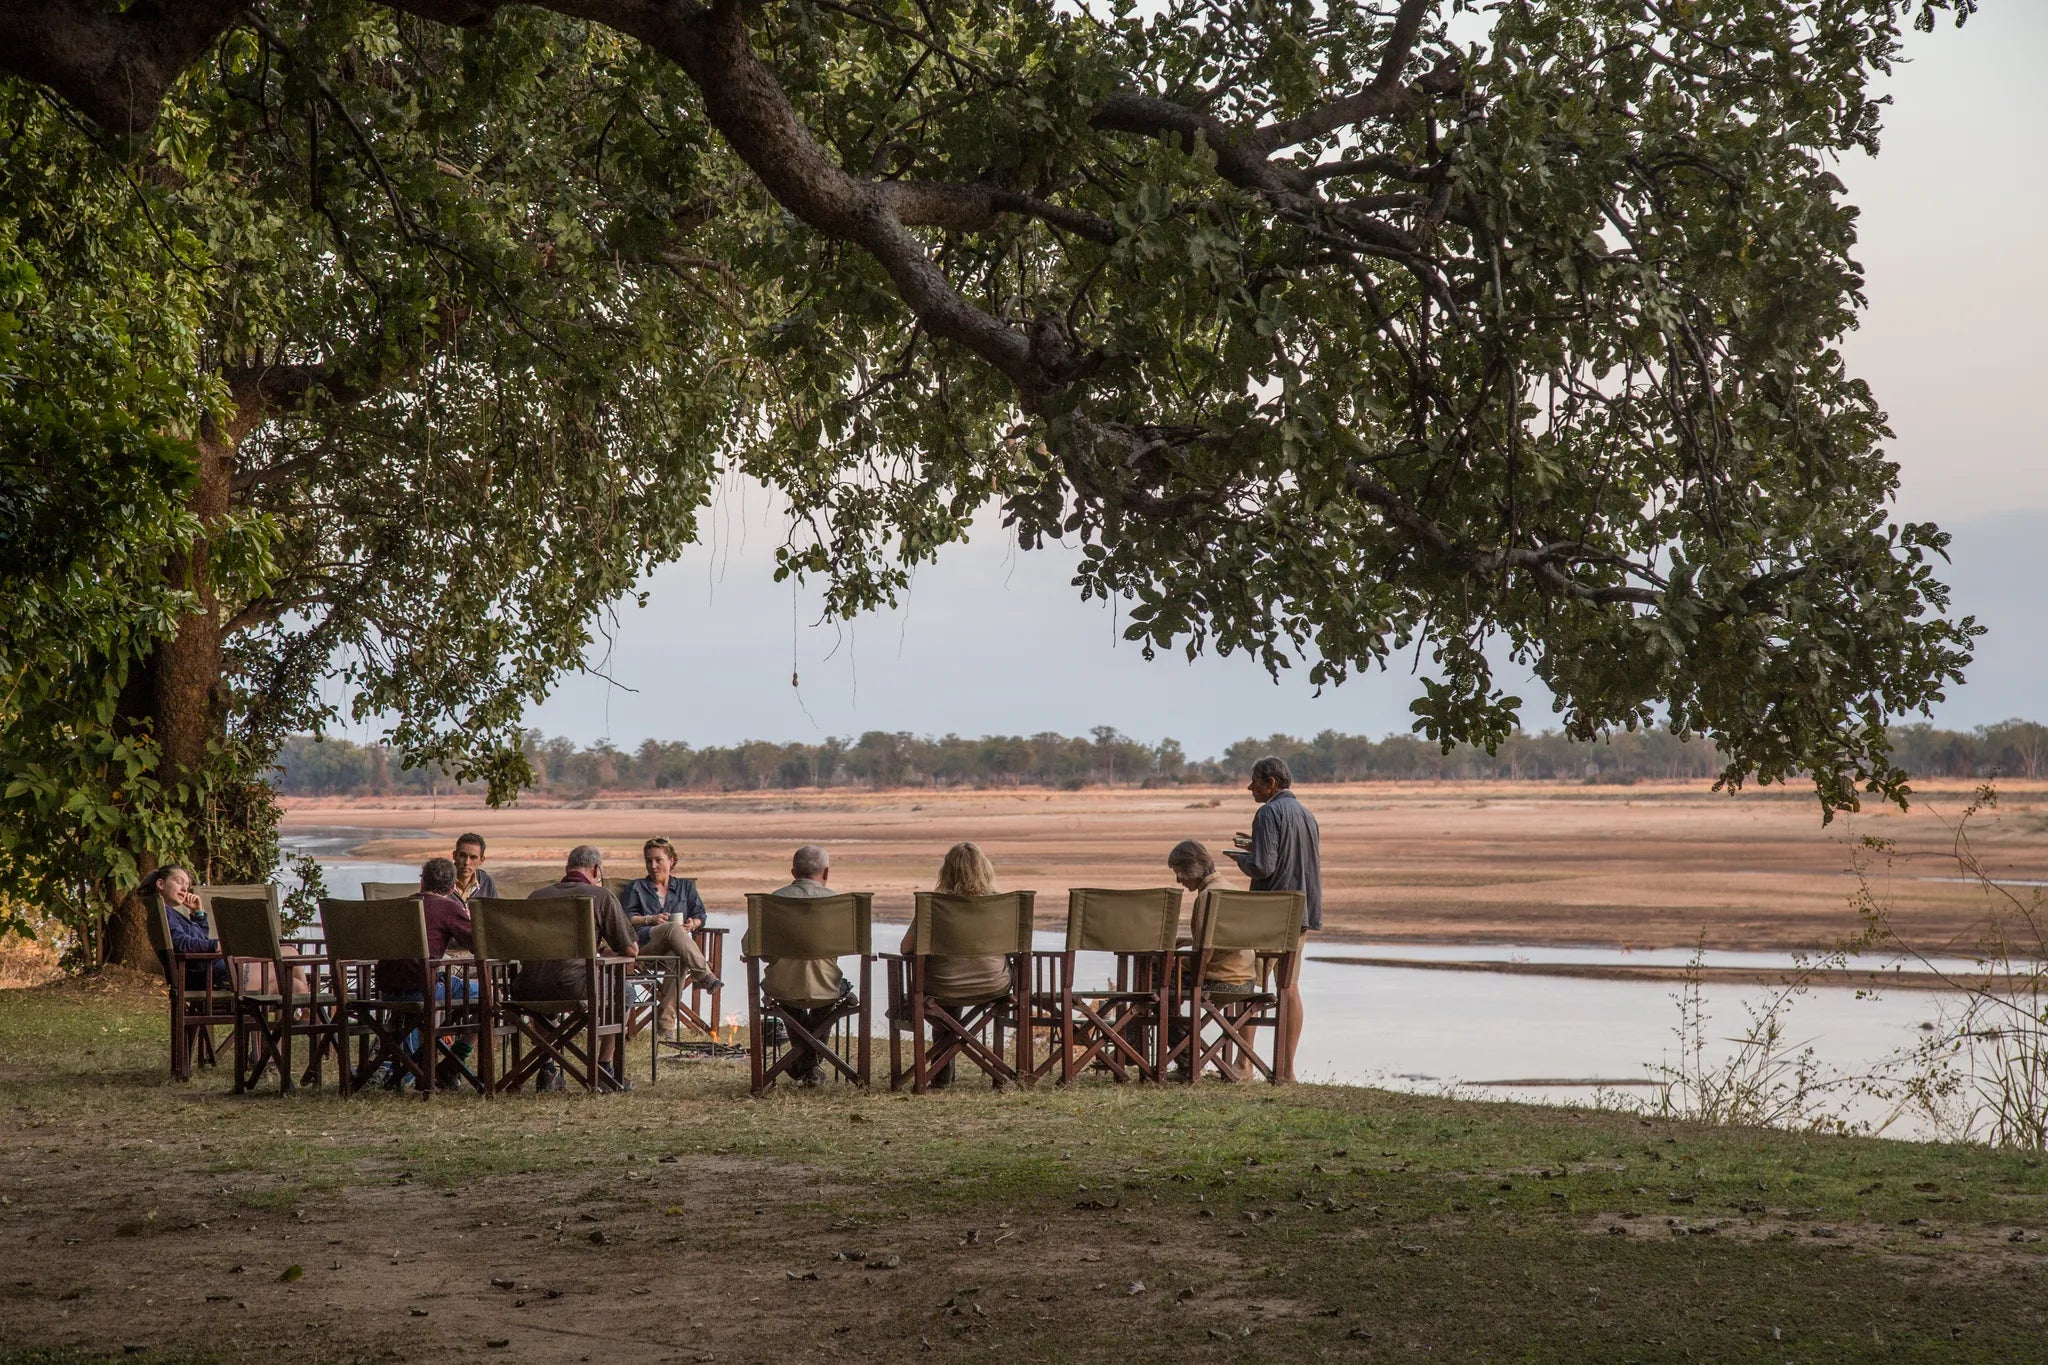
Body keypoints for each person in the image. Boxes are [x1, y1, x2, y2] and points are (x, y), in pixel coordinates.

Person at [1223, 755, 1321, 1081]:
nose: (1250, 787)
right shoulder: (1307, 816)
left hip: (1270, 914)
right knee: (1290, 987)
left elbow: (1263, 866)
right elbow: (1290, 857)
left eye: (1255, 782)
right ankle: (1287, 1071)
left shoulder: (1267, 812)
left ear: (1271, 784)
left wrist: (1241, 858)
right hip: (1302, 912)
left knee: (1251, 985)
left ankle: (1243, 1065)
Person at [517, 846, 638, 1089]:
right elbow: (630, 950)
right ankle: (604, 1069)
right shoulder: (600, 896)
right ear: (596, 869)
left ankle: (547, 1068)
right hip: (574, 987)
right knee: (625, 992)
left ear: (567, 869)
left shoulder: (536, 897)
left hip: (526, 988)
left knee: (546, 986)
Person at [898, 842, 1011, 1088]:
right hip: (994, 983)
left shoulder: (935, 906)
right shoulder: (1002, 905)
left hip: (944, 985)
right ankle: (1000, 1074)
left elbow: (906, 948)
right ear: (985, 869)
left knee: (944, 1002)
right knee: (949, 994)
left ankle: (940, 1075)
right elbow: (1015, 950)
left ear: (946, 872)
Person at [374, 857, 478, 1089]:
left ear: (422, 882)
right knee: (489, 994)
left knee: (443, 984)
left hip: (386, 989)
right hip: (422, 989)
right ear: (452, 888)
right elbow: (478, 943)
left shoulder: (400, 906)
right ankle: (453, 1062)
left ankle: (415, 1063)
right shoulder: (450, 907)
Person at [762, 844, 852, 1087]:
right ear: (826, 873)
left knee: (791, 1003)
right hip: (826, 988)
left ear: (793, 873)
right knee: (831, 997)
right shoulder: (837, 903)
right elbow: (850, 948)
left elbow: (755, 949)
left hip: (781, 988)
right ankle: (809, 1064)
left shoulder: (774, 902)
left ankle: (802, 1063)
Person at [618, 837, 723, 1040]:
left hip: (673, 949)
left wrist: (693, 924)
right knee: (673, 929)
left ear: (671, 861)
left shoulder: (686, 887)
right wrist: (651, 919)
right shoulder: (636, 887)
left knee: (679, 955)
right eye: (649, 860)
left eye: (658, 860)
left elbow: (701, 915)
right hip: (644, 946)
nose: (653, 865)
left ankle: (665, 1027)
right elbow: (625, 919)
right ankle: (705, 975)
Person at [142, 865, 228, 990]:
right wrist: (217, 945)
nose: (184, 889)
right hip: (199, 974)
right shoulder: (164, 914)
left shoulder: (167, 913)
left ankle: (251, 1005)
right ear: (160, 884)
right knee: (259, 966)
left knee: (257, 967)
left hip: (202, 970)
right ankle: (251, 1005)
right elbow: (182, 944)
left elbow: (199, 940)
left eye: (187, 886)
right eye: (179, 882)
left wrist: (198, 913)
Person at [451, 833, 499, 903]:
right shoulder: (440, 881)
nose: (467, 862)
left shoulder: (486, 882)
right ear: (454, 856)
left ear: (481, 860)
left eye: (473, 857)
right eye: (462, 856)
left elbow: (495, 911)